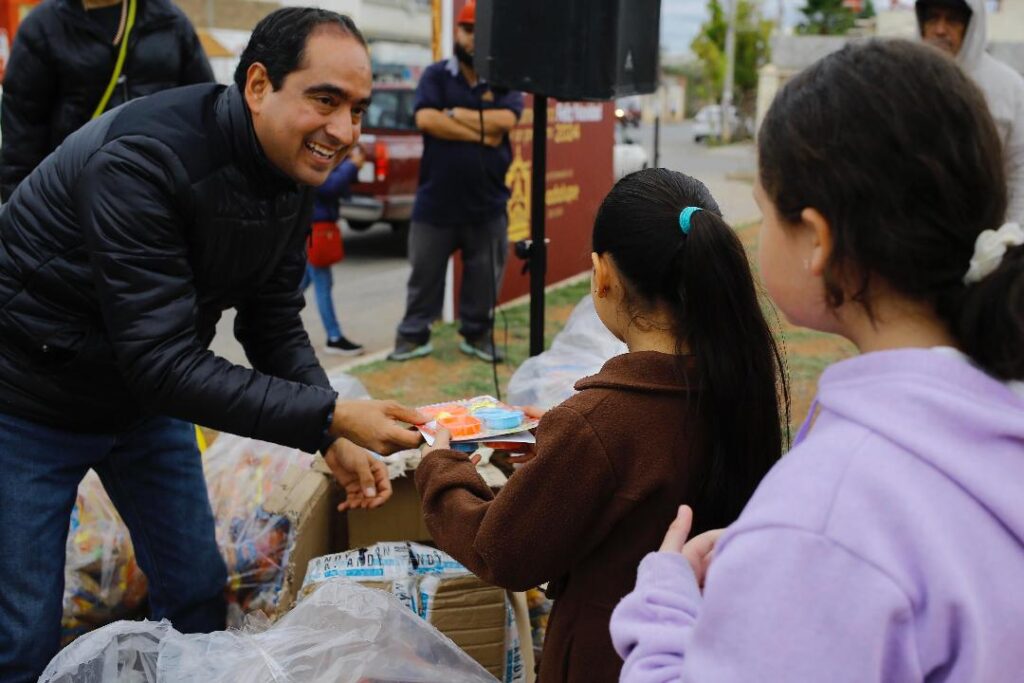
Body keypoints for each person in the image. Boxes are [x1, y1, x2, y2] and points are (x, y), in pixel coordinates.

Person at [0, 9, 425, 681]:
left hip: (135, 404)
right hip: (24, 396)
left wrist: (330, 433)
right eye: (325, 100)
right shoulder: (142, 159)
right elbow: (164, 363)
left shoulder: (291, 169)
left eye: (358, 109)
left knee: (197, 590)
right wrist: (332, 415)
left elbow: (272, 323)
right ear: (259, 85)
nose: (345, 132)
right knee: (20, 632)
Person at [611, 40, 1024, 682]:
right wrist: (774, 568)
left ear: (818, 240)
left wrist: (666, 602)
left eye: (764, 211)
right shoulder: (990, 417)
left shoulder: (834, 510)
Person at [414, 168, 790, 682]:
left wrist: (440, 465)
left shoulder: (599, 424)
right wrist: (561, 440)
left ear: (602, 275)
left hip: (610, 658)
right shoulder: (739, 386)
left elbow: (498, 551)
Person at [387, 0, 523, 363]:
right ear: (456, 32)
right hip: (436, 202)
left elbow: (506, 123)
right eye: (467, 29)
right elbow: (426, 120)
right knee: (423, 278)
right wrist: (481, 129)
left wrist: (454, 113)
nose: (473, 38)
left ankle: (477, 336)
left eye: (480, 31)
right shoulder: (435, 75)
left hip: (488, 204)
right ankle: (413, 337)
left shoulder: (504, 78)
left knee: (483, 279)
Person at [0, 0, 215, 202]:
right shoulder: (42, 28)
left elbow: (206, 115)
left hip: (158, 194)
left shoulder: (170, 21)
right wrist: (20, 217)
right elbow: (21, 139)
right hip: (76, 204)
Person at [915, 0, 1024, 223]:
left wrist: (1009, 234)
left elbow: (1019, 169)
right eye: (933, 18)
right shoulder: (901, 81)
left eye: (953, 20)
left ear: (972, 26)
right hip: (913, 234)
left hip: (985, 233)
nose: (940, 29)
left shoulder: (1008, 87)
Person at [302, 143, 367, 356]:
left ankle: (269, 323)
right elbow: (328, 186)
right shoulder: (311, 151)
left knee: (299, 283)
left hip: (315, 225)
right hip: (315, 226)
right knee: (322, 282)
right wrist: (352, 165)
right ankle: (334, 336)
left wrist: (348, 162)